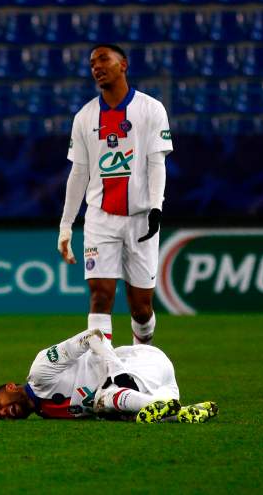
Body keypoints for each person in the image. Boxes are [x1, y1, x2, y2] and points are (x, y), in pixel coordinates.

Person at [57, 44, 173, 345]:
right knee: (100, 294)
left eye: (103, 59)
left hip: (140, 218)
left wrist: (156, 209)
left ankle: (141, 363)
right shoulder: (84, 117)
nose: (96, 66)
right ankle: (105, 376)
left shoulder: (151, 109)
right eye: (92, 62)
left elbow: (156, 163)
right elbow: (79, 173)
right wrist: (66, 225)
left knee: (141, 307)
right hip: (100, 218)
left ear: (123, 64)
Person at [0, 328, 217, 423]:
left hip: (141, 364)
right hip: (157, 387)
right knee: (127, 415)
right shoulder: (46, 412)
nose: (3, 413)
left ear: (10, 387)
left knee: (104, 398)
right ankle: (185, 412)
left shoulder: (40, 371)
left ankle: (163, 405)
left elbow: (92, 336)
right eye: (0, 416)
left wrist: (118, 373)